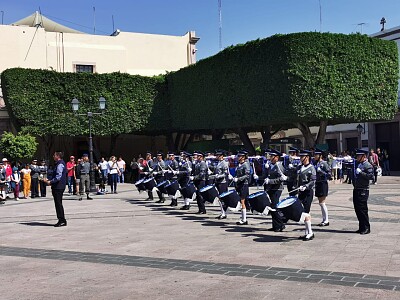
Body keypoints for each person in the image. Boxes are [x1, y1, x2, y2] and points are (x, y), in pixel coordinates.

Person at [257, 149, 287, 232]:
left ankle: (281, 224)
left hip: (277, 188)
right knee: (272, 207)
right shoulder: (270, 165)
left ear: (276, 157)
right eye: (270, 156)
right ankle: (276, 225)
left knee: (274, 207)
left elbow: (280, 179)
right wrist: (259, 177)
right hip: (270, 188)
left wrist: (270, 181)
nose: (270, 158)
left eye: (272, 156)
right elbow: (265, 176)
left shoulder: (279, 166)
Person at [43, 151, 67, 227]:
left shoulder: (60, 164)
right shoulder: (59, 164)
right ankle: (61, 219)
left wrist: (50, 182)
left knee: (58, 203)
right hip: (58, 186)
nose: (53, 156)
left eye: (54, 155)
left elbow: (58, 176)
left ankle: (62, 220)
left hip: (58, 187)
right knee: (58, 203)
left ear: (58, 156)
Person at [353, 148, 374, 234]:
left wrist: (361, 173)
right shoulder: (359, 164)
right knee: (357, 209)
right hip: (357, 189)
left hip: (363, 190)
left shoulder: (367, 165)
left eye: (359, 156)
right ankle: (361, 227)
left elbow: (371, 176)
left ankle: (366, 227)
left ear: (364, 156)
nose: (357, 157)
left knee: (362, 209)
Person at [313, 148, 331, 226]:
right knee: (320, 203)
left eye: (316, 155)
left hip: (323, 183)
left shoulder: (324, 163)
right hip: (318, 183)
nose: (314, 156)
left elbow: (329, 175)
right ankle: (324, 219)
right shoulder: (316, 163)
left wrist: (322, 171)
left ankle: (326, 220)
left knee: (322, 203)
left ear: (320, 155)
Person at [233, 150, 250, 225]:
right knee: (241, 201)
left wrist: (238, 179)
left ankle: (244, 219)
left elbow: (247, 175)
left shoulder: (245, 164)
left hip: (244, 184)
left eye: (239, 156)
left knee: (242, 201)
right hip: (239, 184)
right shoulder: (239, 164)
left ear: (243, 157)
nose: (238, 157)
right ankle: (243, 218)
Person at [297, 150, 316, 214]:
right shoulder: (300, 167)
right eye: (300, 157)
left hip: (308, 190)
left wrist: (306, 186)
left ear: (307, 157)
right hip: (301, 190)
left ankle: (307, 222)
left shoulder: (311, 168)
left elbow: (313, 180)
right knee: (299, 207)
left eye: (302, 157)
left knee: (306, 208)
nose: (300, 158)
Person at [212, 150, 230, 219]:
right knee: (220, 198)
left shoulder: (224, 163)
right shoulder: (218, 163)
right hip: (218, 182)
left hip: (223, 182)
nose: (217, 157)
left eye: (218, 155)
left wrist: (218, 176)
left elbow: (225, 174)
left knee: (223, 198)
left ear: (222, 156)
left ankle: (224, 213)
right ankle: (222, 212)